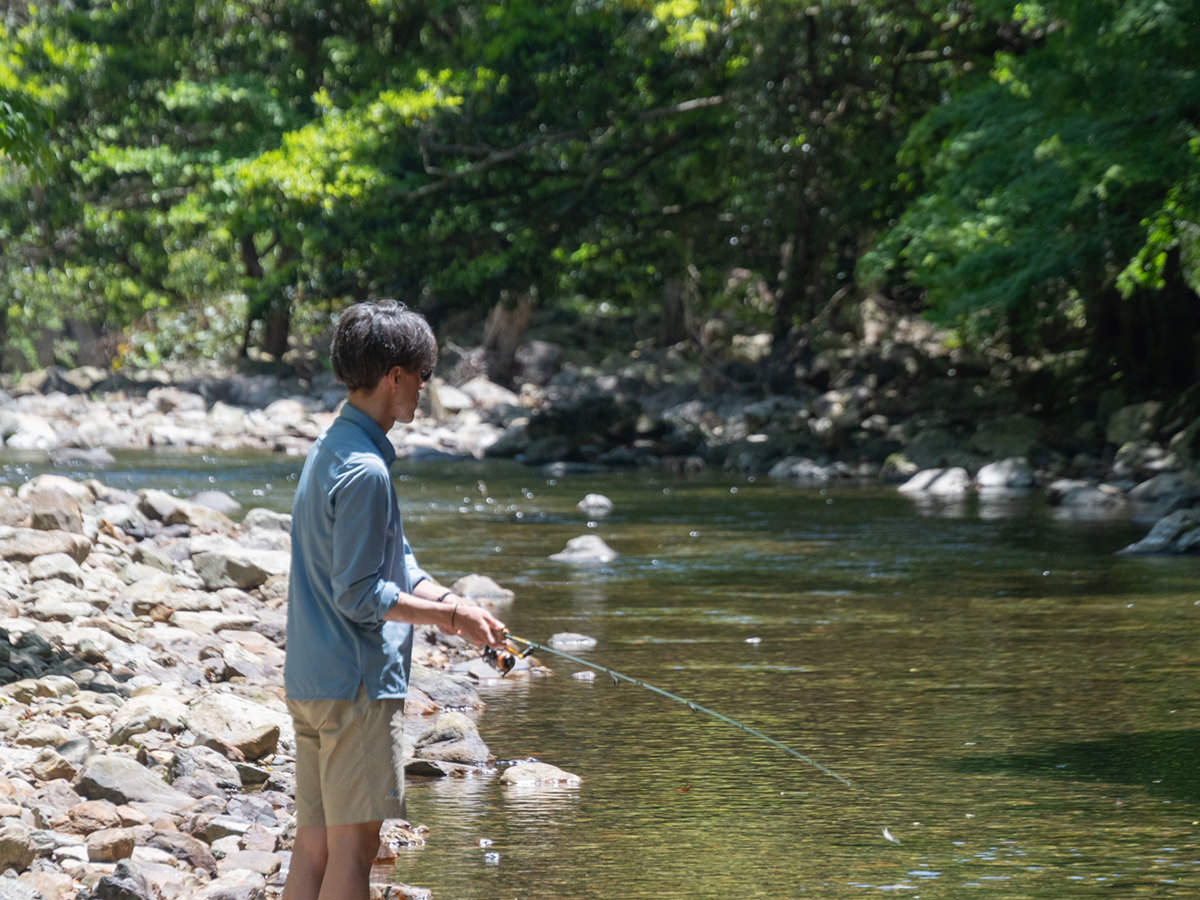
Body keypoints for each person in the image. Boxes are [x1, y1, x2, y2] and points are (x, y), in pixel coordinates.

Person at [282, 300, 507, 900]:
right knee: (354, 853)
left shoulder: (330, 450)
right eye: (422, 374)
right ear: (395, 376)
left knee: (314, 848)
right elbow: (359, 594)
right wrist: (448, 616)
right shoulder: (367, 471)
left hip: (312, 679)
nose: (424, 387)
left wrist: (456, 608)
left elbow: (398, 564)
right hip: (355, 687)